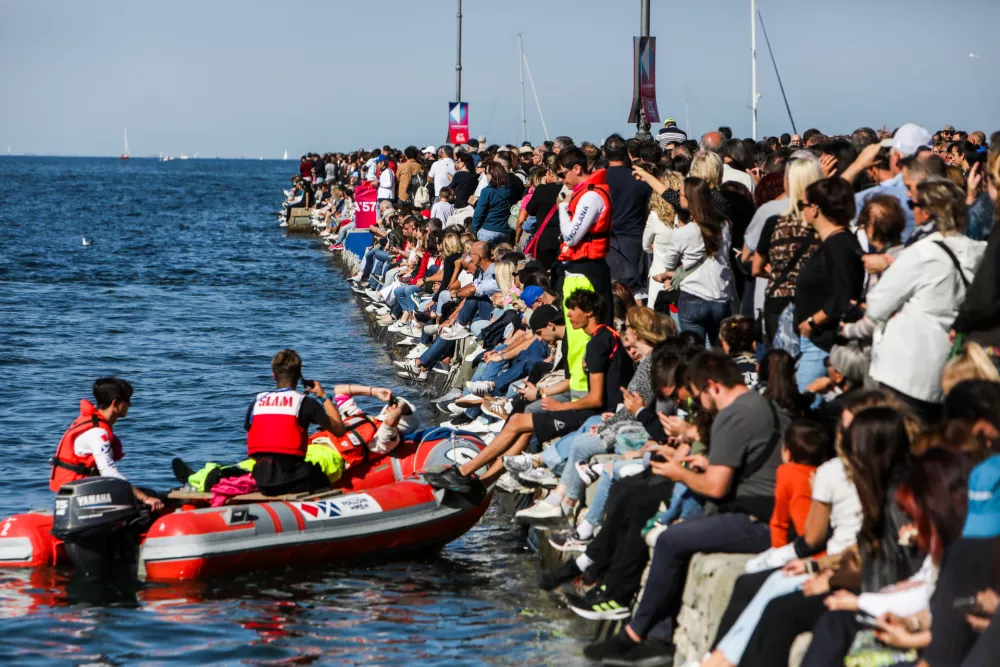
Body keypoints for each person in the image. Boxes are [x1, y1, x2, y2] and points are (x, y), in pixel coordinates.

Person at [582, 351, 788, 664]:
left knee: (669, 540)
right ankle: (658, 636)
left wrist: (680, 473)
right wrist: (704, 461)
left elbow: (716, 486)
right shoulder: (757, 404)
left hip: (761, 519)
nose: (697, 405)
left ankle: (635, 635)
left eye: (696, 395)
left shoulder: (733, 414)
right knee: (676, 534)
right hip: (765, 511)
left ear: (712, 386)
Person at [868, 178, 985, 419]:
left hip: (906, 371)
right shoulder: (979, 252)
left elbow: (876, 306)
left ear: (927, 211)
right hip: (950, 368)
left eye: (913, 204)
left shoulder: (922, 253)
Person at [793, 177, 865, 392]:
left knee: (804, 400)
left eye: (803, 205)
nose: (802, 211)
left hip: (823, 343)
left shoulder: (839, 245)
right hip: (817, 341)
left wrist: (812, 322)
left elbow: (843, 296)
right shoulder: (833, 243)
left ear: (814, 209)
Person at [50, 377, 163, 511]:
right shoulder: (97, 432)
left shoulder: (93, 423)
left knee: (146, 494)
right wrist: (145, 498)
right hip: (80, 493)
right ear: (115, 404)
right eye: (127, 401)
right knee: (146, 499)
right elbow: (108, 472)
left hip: (78, 489)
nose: (130, 405)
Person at [246, 349, 347, 496]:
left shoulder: (257, 402)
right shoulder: (305, 403)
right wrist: (324, 396)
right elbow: (339, 430)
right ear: (299, 377)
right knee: (318, 474)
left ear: (274, 375)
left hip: (261, 480)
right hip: (293, 480)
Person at [603, 134, 652, 296]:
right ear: (627, 154)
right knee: (637, 293)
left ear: (605, 154)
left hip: (608, 242)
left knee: (612, 292)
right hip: (635, 241)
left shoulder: (599, 180)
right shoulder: (639, 178)